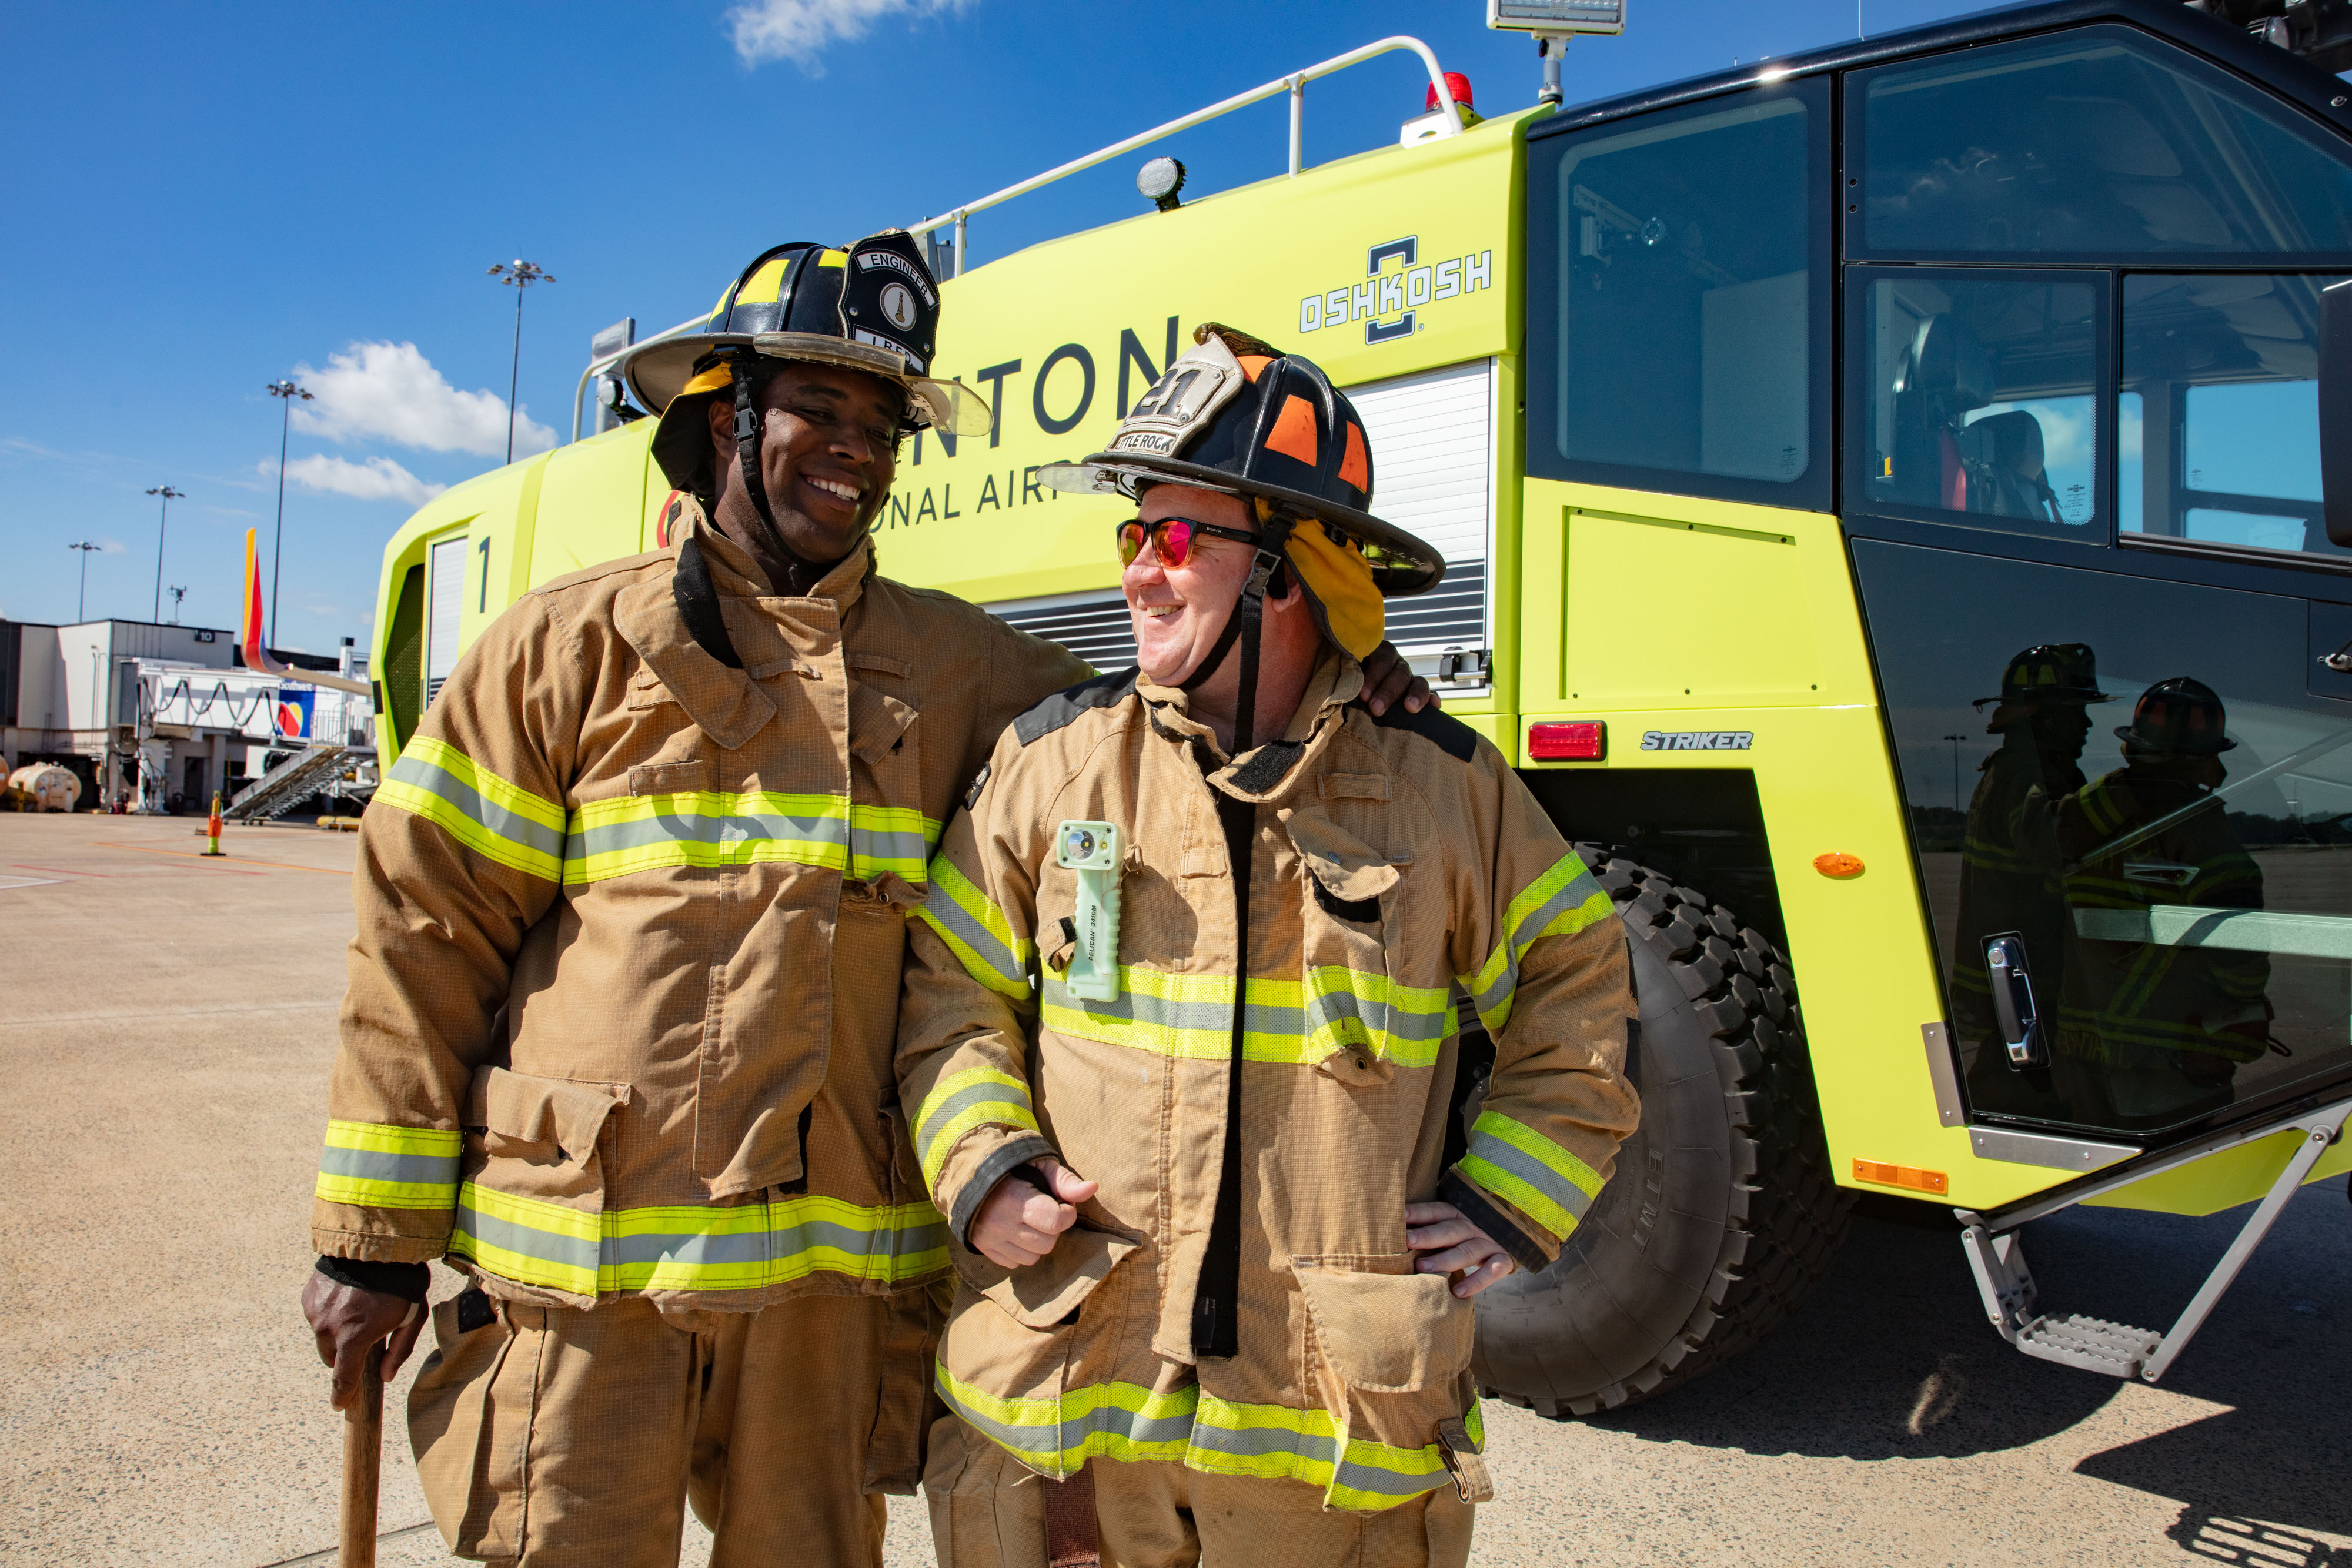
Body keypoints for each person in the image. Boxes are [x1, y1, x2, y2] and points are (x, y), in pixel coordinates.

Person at [299, 239, 1437, 1568]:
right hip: (580, 1287)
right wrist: (371, 1242)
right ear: (725, 417)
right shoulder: (563, 650)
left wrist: (1352, 650)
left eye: (881, 425)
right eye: (818, 414)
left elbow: (1181, 674)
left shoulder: (953, 664)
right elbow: (418, 931)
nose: (855, 451)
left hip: (817, 1317)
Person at [897, 325, 1639, 1567]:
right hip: (1074, 1423)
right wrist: (983, 1162)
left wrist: (1509, 1197)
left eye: (1175, 538)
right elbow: (946, 992)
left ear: (1283, 575)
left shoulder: (1443, 788)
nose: (1138, 570)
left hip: (1327, 1453)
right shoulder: (1050, 763)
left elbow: (1578, 980)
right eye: (1132, 534)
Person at [2053, 676, 2272, 1128]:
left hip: (2079, 1047)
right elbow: (2239, 950)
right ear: (2205, 757)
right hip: (2168, 1061)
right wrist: (2245, 1010)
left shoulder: (2081, 819)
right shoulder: (2201, 832)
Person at [1950, 643, 2110, 1115]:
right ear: (2040, 715)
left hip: (2014, 971)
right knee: (2018, 1090)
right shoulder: (2025, 775)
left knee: (2018, 1077)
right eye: (2075, 711)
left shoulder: (2020, 771)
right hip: (2025, 977)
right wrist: (2125, 795)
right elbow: (2058, 840)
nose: (2085, 724)